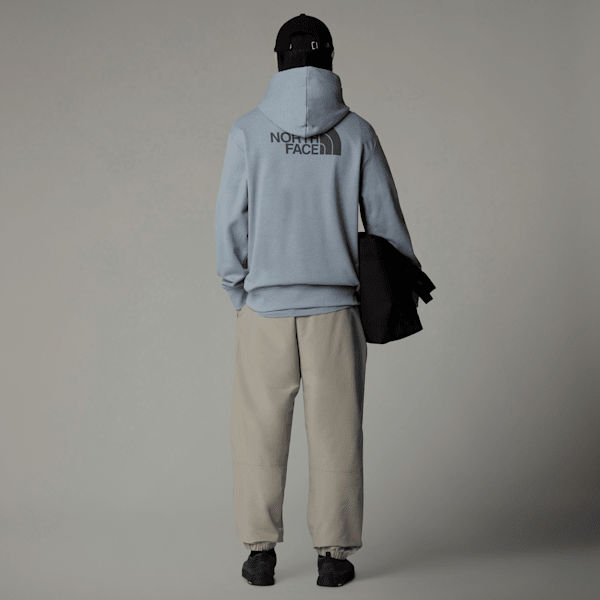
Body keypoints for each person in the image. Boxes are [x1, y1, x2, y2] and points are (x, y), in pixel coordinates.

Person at [215, 14, 421, 587]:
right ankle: (334, 555)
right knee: (337, 433)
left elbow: (229, 223)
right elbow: (386, 224)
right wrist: (399, 284)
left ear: (277, 61)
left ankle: (260, 553)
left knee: (258, 431)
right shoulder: (357, 132)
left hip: (264, 309)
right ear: (330, 60)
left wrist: (238, 289)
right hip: (336, 309)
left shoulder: (247, 131)